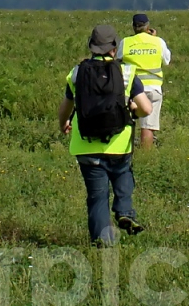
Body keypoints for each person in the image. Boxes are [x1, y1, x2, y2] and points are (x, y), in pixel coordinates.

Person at [58, 25, 152, 245]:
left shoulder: (77, 72)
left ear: (92, 46)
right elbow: (146, 109)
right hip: (119, 145)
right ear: (114, 48)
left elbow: (65, 107)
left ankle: (103, 241)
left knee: (97, 196)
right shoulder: (127, 72)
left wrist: (64, 123)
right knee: (123, 175)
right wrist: (132, 109)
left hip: (86, 146)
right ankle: (124, 211)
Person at [118, 13, 172, 150]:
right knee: (148, 126)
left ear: (133, 27)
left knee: (126, 123)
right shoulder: (158, 42)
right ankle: (145, 155)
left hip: (131, 89)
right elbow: (167, 60)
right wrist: (153, 38)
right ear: (148, 26)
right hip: (153, 88)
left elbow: (117, 61)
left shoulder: (126, 42)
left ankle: (124, 152)